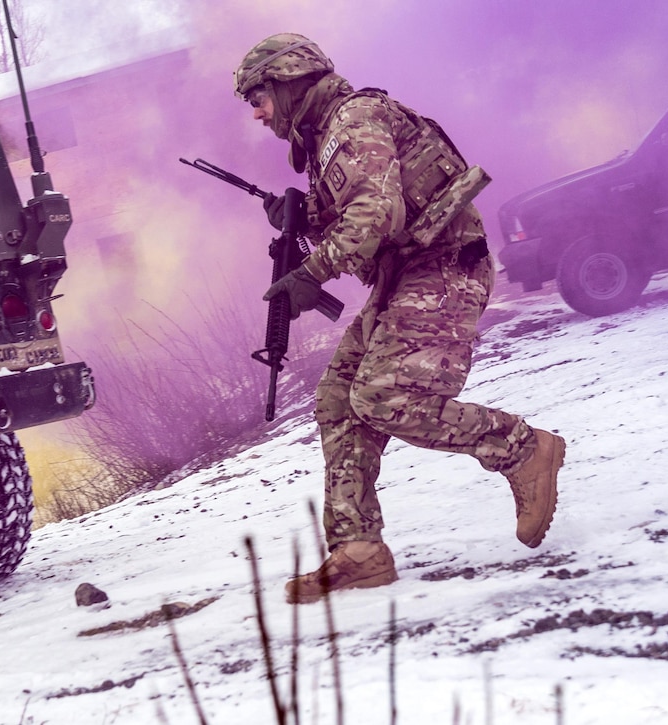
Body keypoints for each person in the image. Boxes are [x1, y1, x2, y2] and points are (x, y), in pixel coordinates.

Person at [233, 34, 566, 603]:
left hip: (444, 269)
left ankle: (523, 448)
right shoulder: (326, 140)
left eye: (259, 97)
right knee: (338, 399)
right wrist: (302, 215)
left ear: (288, 80)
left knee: (385, 397)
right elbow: (370, 205)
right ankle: (358, 551)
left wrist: (313, 272)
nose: (259, 114)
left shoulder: (352, 119)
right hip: (405, 277)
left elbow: (376, 212)